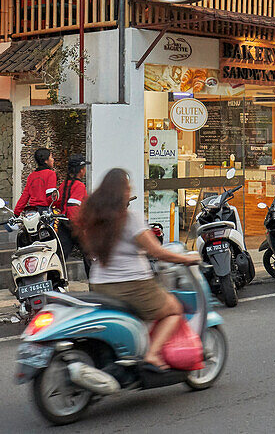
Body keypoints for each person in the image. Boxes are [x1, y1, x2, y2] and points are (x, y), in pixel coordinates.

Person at [79, 169, 197, 369]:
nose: (130, 191)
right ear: (121, 192)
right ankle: (151, 354)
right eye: (128, 188)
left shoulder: (94, 219)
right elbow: (157, 252)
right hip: (133, 285)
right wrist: (185, 259)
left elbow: (90, 252)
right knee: (174, 310)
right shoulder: (131, 219)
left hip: (99, 284)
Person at [53, 155, 90, 276]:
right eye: (84, 168)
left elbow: (58, 202)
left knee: (60, 256)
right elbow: (73, 207)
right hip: (75, 224)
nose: (85, 170)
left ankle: (55, 282)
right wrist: (79, 228)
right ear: (81, 170)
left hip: (64, 224)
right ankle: (95, 287)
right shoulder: (79, 186)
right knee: (89, 255)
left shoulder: (65, 184)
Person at [15, 148, 56, 213]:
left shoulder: (31, 176)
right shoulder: (51, 174)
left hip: (32, 211)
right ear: (46, 160)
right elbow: (50, 197)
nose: (53, 160)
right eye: (51, 157)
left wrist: (17, 212)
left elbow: (25, 196)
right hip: (45, 211)